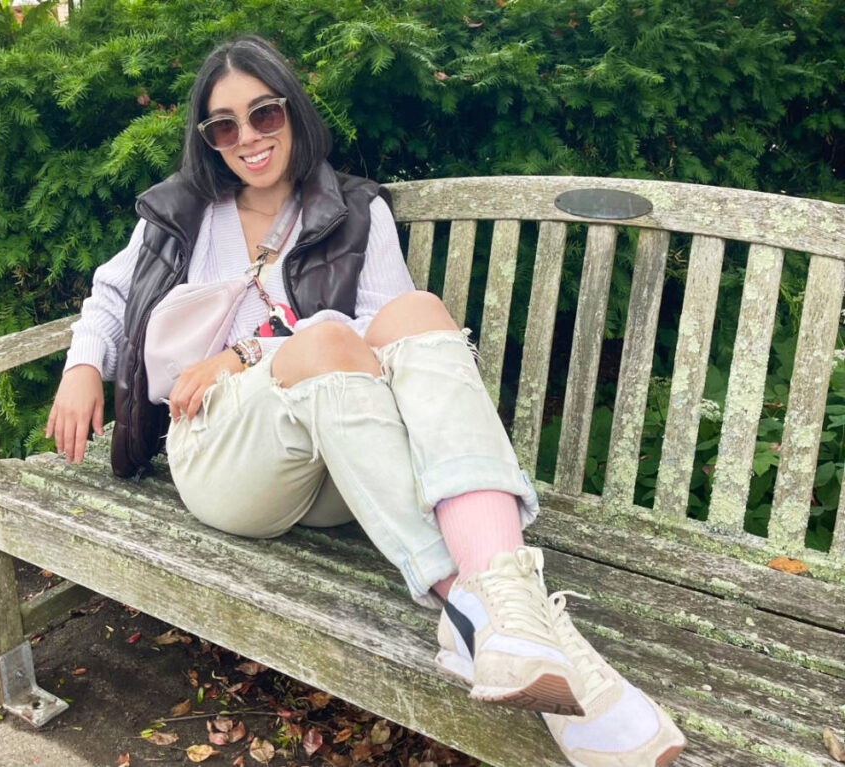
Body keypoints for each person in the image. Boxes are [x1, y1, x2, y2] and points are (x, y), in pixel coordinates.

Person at [44, 35, 685, 767]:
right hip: (222, 448)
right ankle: (492, 609)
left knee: (414, 311)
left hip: (342, 461)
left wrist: (255, 346)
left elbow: (385, 339)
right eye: (225, 126)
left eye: (264, 114)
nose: (248, 138)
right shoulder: (187, 210)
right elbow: (112, 291)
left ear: (292, 110)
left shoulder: (353, 210)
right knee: (319, 337)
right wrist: (81, 366)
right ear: (209, 140)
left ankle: (500, 617)